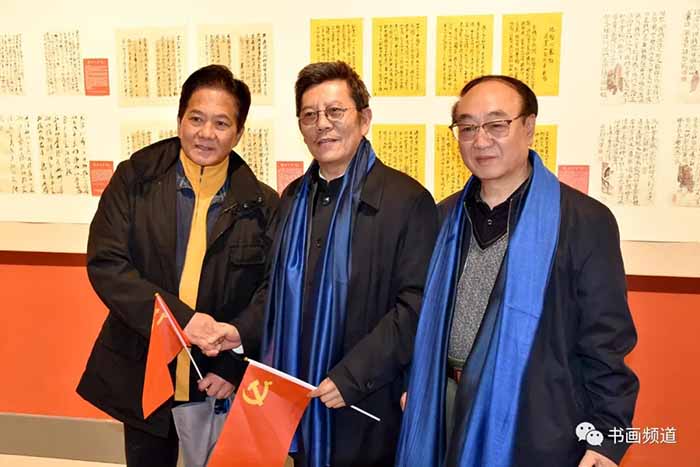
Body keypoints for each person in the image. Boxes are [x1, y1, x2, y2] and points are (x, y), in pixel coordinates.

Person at [396, 75, 639, 467]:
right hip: (445, 408)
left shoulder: (582, 221)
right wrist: (414, 383)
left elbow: (606, 340)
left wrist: (607, 439)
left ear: (528, 127)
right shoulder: (443, 218)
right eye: (467, 128)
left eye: (496, 125)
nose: (480, 140)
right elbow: (418, 316)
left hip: (539, 418)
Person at [222, 61, 438, 467]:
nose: (322, 124)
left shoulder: (406, 201)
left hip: (367, 400)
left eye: (335, 111)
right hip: (295, 396)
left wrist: (351, 377)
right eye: (310, 115)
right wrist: (237, 332)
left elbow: (417, 306)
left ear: (364, 119)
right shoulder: (292, 199)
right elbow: (273, 292)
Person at [76, 64, 278, 467]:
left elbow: (271, 292)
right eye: (196, 119)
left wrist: (233, 364)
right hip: (144, 365)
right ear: (180, 119)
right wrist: (184, 321)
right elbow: (107, 263)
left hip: (215, 375)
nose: (206, 133)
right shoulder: (135, 180)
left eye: (221, 123)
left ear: (239, 133)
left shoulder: (263, 204)